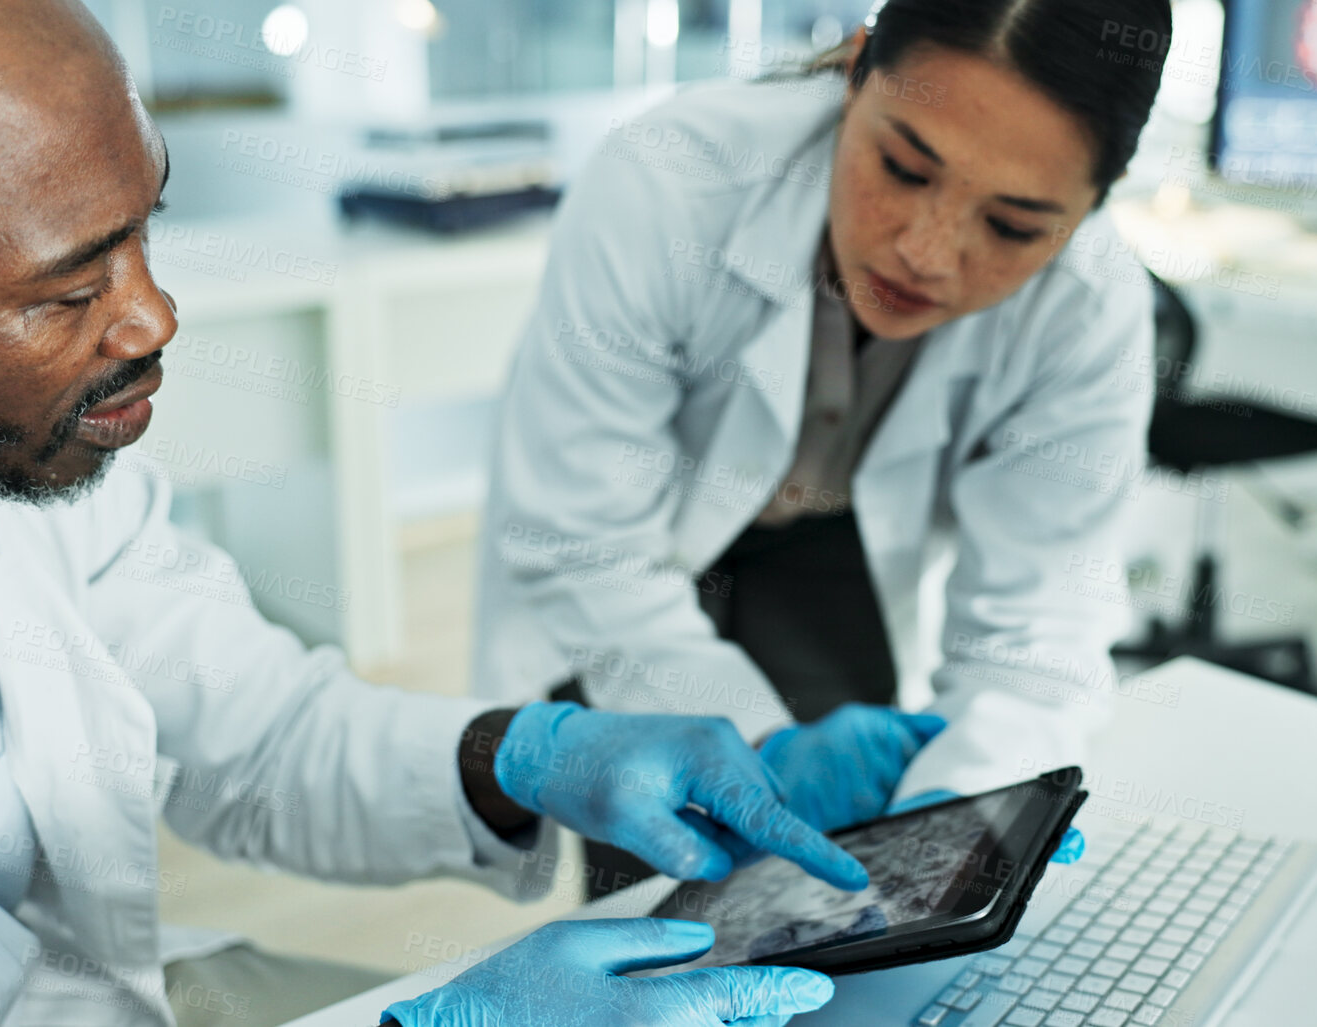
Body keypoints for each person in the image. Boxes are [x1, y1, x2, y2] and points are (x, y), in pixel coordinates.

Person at [0, 1, 881, 1025]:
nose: (154, 318)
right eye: (67, 291)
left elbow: (256, 735)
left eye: (148, 230)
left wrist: (528, 756)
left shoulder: (14, 479)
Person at [474, 0, 1174, 881]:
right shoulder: (671, 180)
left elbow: (1037, 626)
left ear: (1091, 206)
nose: (927, 252)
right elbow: (587, 543)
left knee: (843, 872)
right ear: (852, 71)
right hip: (638, 542)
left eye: (1011, 226)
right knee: (659, 867)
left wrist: (963, 811)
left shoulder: (1089, 299)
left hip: (833, 543)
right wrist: (756, 744)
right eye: (904, 167)